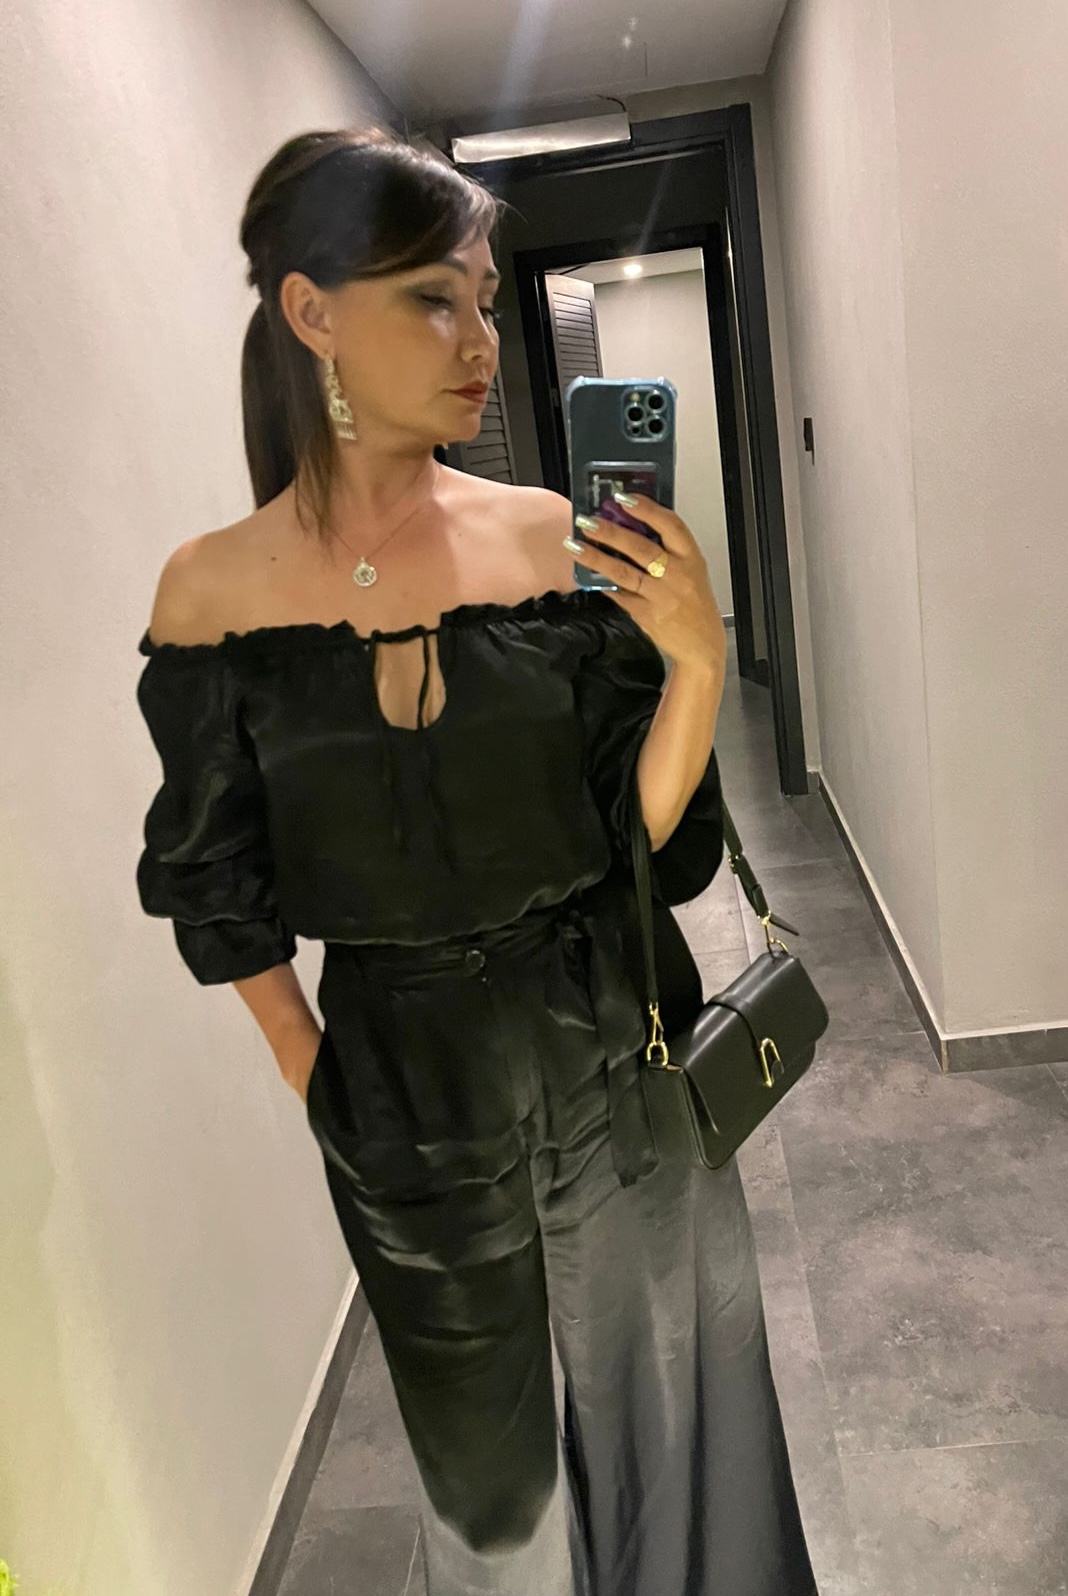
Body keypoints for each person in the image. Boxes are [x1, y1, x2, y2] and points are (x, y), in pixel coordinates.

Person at [134, 125, 819, 1596]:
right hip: (402, 1095)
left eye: (486, 300)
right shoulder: (210, 596)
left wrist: (697, 664)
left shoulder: (547, 541)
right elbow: (215, 887)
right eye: (432, 299)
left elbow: (642, 840)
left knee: (672, 1405)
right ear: (312, 312)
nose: (480, 342)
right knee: (490, 1493)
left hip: (617, 1046)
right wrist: (320, 1076)